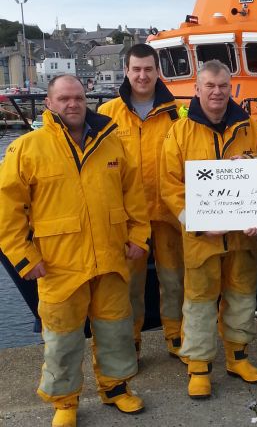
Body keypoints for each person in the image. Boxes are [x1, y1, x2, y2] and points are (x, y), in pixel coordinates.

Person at [0, 75, 151, 427]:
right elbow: (8, 211)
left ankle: (115, 388)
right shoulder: (28, 148)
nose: (73, 104)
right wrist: (24, 257)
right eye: (64, 98)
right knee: (63, 339)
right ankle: (65, 402)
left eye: (79, 98)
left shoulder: (111, 144)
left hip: (111, 258)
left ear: (87, 101)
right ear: (50, 104)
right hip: (58, 265)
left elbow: (135, 197)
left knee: (115, 331)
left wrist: (139, 236)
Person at [159, 59, 257, 399]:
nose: (217, 92)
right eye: (210, 86)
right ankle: (199, 367)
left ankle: (238, 358)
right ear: (197, 89)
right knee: (199, 304)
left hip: (242, 238)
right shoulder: (179, 133)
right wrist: (196, 222)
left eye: (223, 86)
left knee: (241, 297)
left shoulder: (252, 128)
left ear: (230, 87)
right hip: (201, 240)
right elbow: (170, 186)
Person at [99, 43, 184, 361]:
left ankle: (176, 336)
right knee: (129, 284)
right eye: (136, 69)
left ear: (158, 71)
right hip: (128, 217)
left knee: (174, 280)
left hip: (168, 212)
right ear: (126, 71)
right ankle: (131, 340)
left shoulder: (179, 112)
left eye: (148, 69)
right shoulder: (107, 114)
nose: (142, 75)